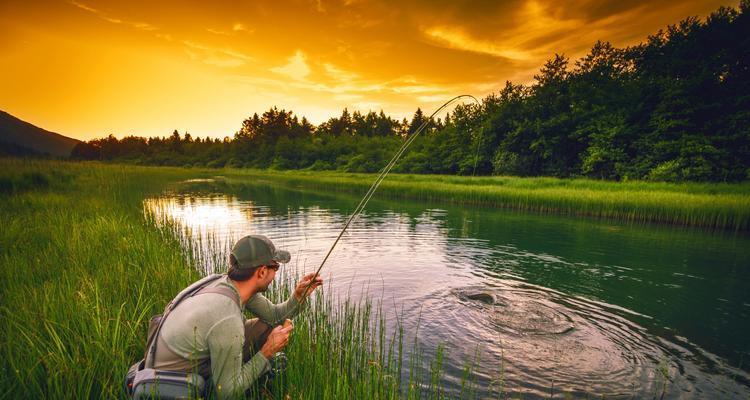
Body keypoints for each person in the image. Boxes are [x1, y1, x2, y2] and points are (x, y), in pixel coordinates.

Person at [145, 234, 323, 399]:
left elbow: (274, 317)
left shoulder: (226, 283)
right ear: (261, 272)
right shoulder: (227, 317)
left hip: (179, 359)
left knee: (264, 328)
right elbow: (227, 393)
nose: (276, 273)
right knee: (236, 378)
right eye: (275, 267)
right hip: (174, 382)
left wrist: (299, 296)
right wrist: (267, 352)